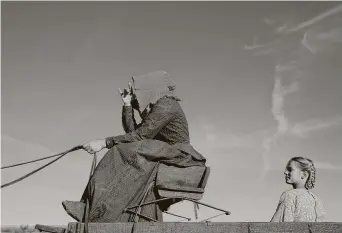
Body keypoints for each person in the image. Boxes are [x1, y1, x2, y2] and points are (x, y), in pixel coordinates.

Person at [62, 70, 206, 223]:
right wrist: (127, 105)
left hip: (179, 155)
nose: (137, 95)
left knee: (119, 151)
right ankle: (93, 207)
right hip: (166, 152)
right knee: (124, 150)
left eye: (138, 91)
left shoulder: (166, 105)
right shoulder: (160, 105)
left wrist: (104, 142)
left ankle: (92, 209)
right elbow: (134, 134)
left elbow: (140, 136)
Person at [271, 157, 325, 222]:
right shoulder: (316, 199)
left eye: (290, 169)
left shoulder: (289, 195)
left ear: (304, 174)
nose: (285, 172)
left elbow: (277, 225)